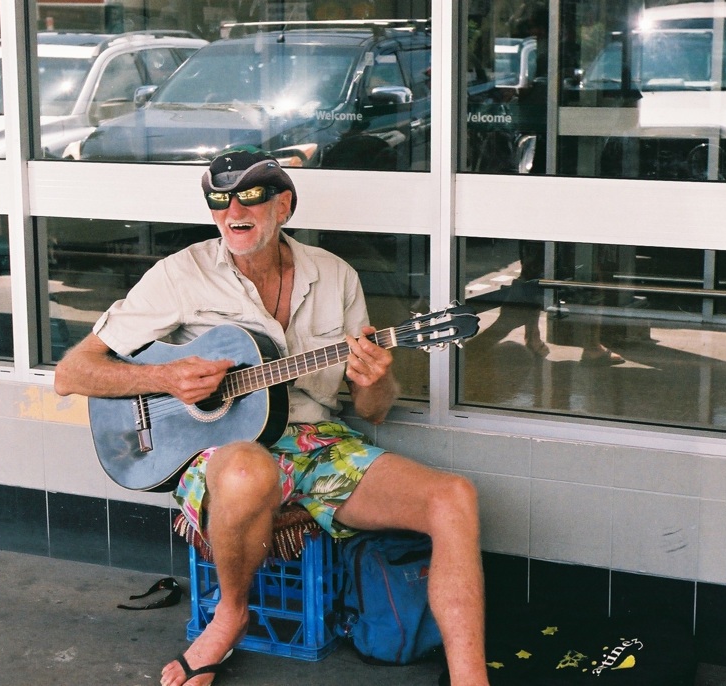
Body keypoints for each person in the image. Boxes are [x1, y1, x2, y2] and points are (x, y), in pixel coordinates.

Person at [53, 147, 489, 686]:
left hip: (317, 441)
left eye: (250, 196)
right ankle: (230, 614)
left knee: (454, 498)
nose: (232, 209)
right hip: (217, 453)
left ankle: (471, 678)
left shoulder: (334, 276)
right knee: (245, 470)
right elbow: (72, 374)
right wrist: (164, 378)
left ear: (283, 205)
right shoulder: (179, 275)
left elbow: (373, 410)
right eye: (218, 199)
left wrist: (376, 379)